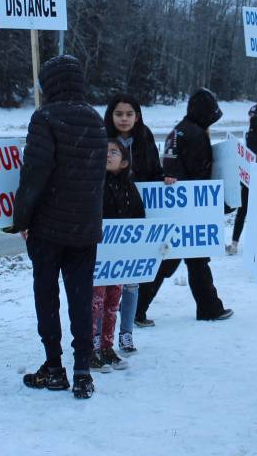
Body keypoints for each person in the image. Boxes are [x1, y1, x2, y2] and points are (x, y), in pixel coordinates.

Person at [15, 55, 108, 400]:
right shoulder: (96, 120)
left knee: (47, 296)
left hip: (49, 228)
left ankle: (54, 367)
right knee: (81, 297)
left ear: (50, 85)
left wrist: (22, 218)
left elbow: (35, 173)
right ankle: (83, 369)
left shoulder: (45, 118)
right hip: (85, 229)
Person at [134, 88, 233, 325]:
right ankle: (137, 308)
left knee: (189, 261)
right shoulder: (196, 134)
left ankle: (208, 306)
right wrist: (212, 202)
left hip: (175, 204)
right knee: (175, 261)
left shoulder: (178, 130)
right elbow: (199, 174)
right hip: (189, 207)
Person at [103, 94, 164, 353]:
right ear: (111, 116)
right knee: (104, 283)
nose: (124, 119)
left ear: (137, 116)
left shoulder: (145, 136)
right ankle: (99, 335)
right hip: (107, 219)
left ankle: (126, 333)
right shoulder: (100, 136)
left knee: (131, 280)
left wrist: (165, 180)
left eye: (129, 114)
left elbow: (154, 169)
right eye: (119, 114)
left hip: (133, 216)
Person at [90, 139, 145, 373]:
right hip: (97, 255)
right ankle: (90, 348)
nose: (108, 155)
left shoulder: (129, 187)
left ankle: (107, 346)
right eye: (104, 151)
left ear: (124, 163)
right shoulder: (93, 184)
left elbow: (139, 218)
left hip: (119, 258)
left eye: (114, 152)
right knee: (95, 303)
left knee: (113, 302)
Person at [226, 100, 257, 255]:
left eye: (252, 115)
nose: (250, 118)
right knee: (242, 210)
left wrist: (254, 133)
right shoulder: (250, 131)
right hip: (248, 178)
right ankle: (234, 243)